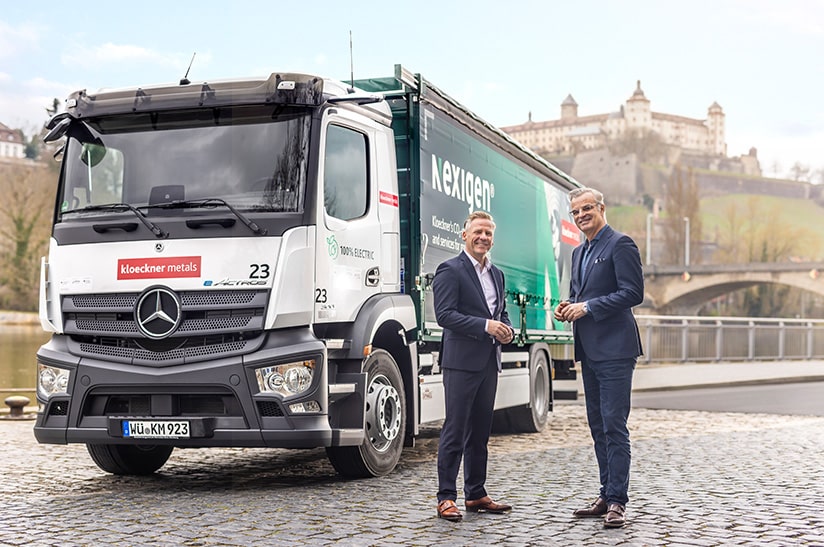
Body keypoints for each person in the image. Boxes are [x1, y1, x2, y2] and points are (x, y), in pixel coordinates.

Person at [554, 187, 644, 528]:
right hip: (588, 349)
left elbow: (633, 293)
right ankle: (606, 493)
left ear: (601, 208)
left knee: (614, 425)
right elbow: (582, 295)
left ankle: (618, 502)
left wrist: (588, 307)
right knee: (597, 426)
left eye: (586, 209)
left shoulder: (620, 244)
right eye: (575, 212)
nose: (580, 216)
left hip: (616, 349)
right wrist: (569, 306)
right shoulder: (578, 252)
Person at [433, 210, 515, 522]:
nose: (483, 238)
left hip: (489, 362)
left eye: (488, 234)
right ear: (464, 235)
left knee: (480, 432)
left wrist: (505, 328)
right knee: (455, 429)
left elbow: (501, 312)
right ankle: (446, 497)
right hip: (461, 363)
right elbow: (445, 315)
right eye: (478, 232)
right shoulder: (450, 270)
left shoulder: (498, 274)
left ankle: (476, 493)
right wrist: (486, 326)